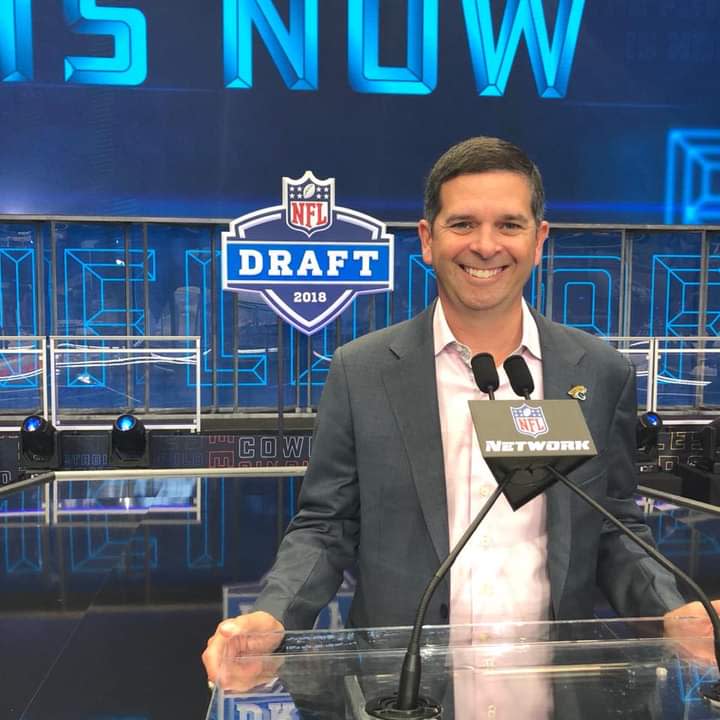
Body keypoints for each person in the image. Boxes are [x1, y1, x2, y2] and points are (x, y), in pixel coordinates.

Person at [203, 137, 719, 681]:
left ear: (540, 240)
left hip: (555, 686)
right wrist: (272, 617)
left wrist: (673, 611)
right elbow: (326, 527)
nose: (486, 245)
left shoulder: (600, 371)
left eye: (510, 225)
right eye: (463, 224)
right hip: (403, 690)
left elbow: (616, 529)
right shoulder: (362, 370)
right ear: (428, 239)